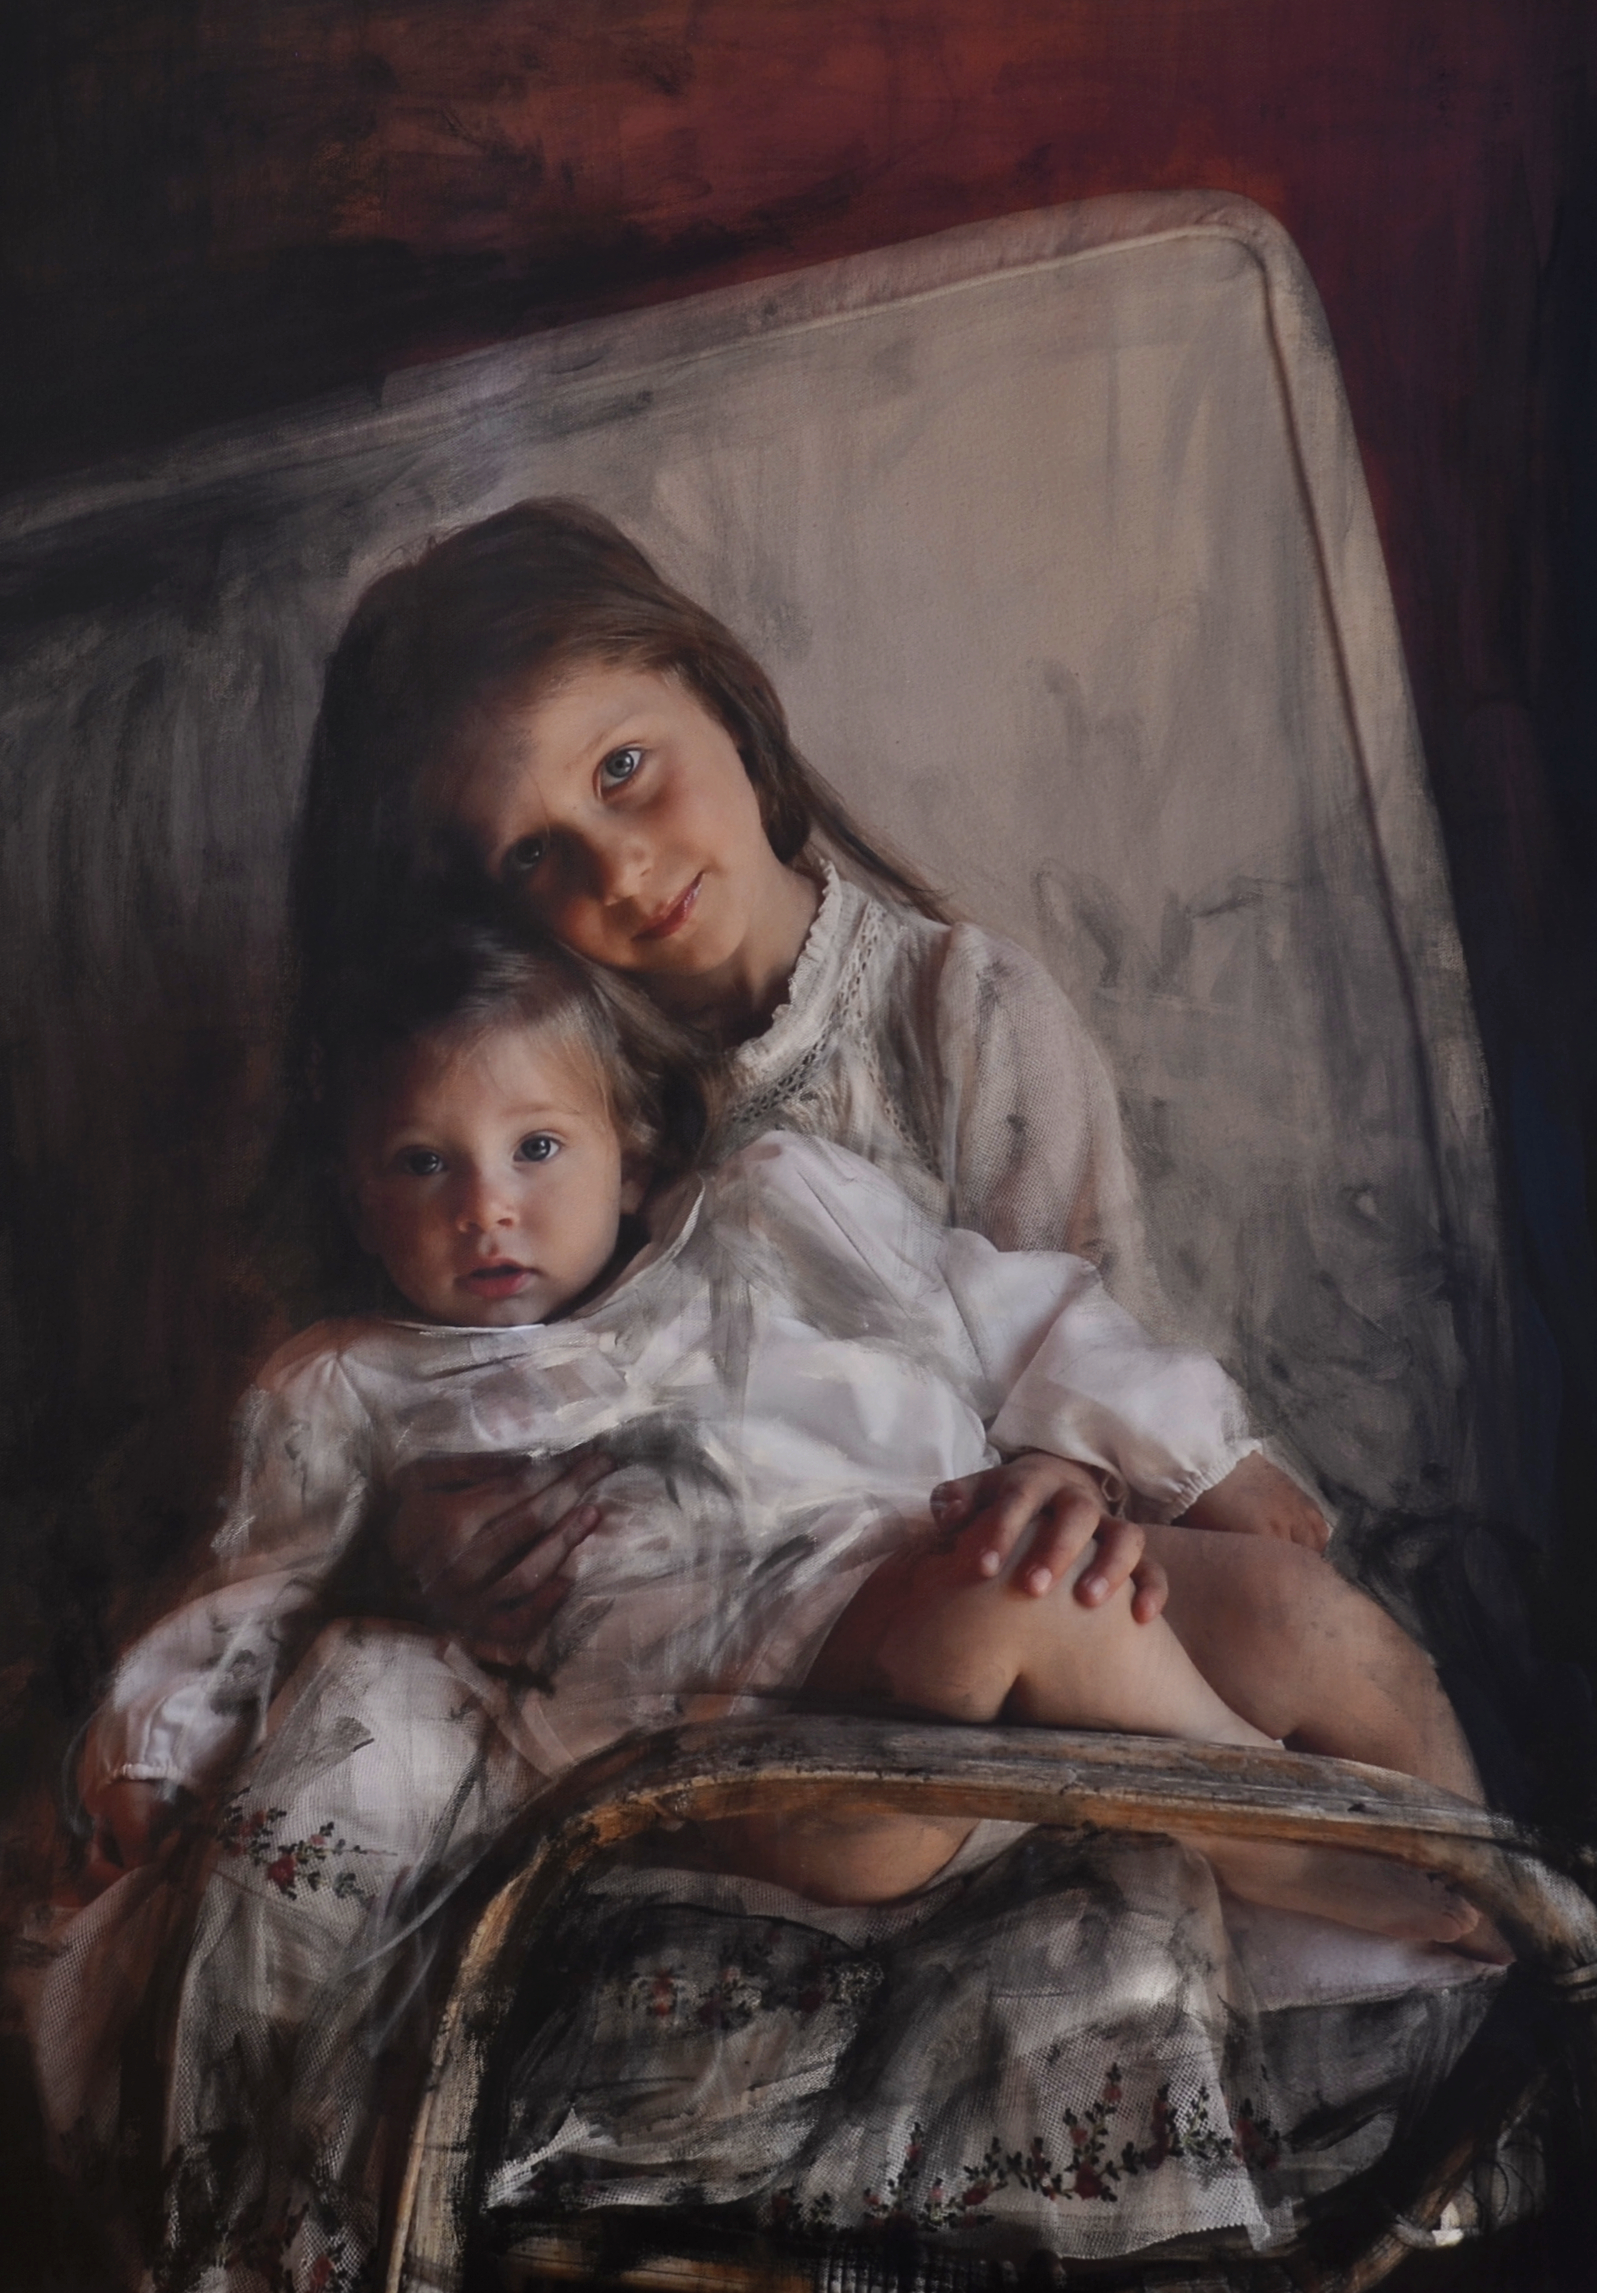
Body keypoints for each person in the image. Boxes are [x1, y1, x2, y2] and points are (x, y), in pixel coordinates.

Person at [79, 928, 1483, 1937]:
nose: (484, 1207)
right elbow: (256, 1597)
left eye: (536, 1148)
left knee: (1289, 1607)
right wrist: (153, 1764)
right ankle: (1286, 1839)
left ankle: (1499, 1885)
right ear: (357, 1195)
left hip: (950, 1589)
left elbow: (1015, 1312)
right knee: (1035, 1600)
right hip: (779, 1753)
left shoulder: (773, 1212)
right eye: (421, 1164)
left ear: (630, 1147)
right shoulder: (354, 1385)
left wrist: (1200, 1451)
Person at [288, 499, 1331, 1670]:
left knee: (1294, 1631)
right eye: (533, 851)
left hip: (1016, 1602)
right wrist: (458, 1546)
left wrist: (1063, 1473)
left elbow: (1094, 1334)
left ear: (720, 700)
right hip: (723, 1657)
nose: (619, 869)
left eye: (622, 768)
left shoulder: (960, 1012)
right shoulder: (532, 1114)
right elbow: (450, 1389)